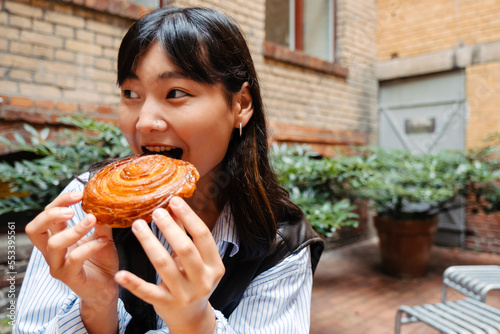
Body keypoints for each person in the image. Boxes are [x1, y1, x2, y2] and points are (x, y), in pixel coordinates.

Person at [15, 6, 324, 334]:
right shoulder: (85, 205)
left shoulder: (281, 243)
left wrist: (196, 323)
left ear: (241, 105)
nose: (144, 122)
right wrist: (96, 306)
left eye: (176, 93)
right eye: (130, 94)